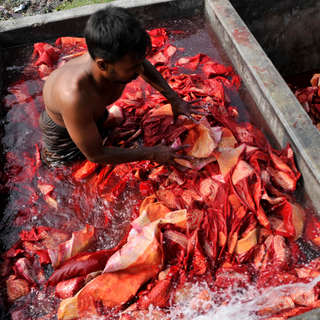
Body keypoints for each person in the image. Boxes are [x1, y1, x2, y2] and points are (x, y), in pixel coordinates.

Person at [40, 6, 204, 170]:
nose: (140, 71)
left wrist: (174, 98)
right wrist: (152, 153)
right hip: (64, 138)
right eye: (134, 68)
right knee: (70, 171)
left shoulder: (117, 58)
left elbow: (140, 63)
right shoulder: (74, 95)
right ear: (102, 65)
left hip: (91, 116)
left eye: (139, 64)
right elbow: (95, 155)